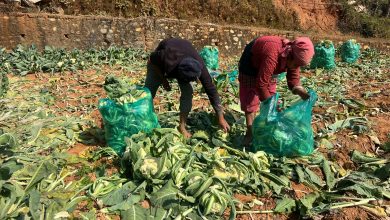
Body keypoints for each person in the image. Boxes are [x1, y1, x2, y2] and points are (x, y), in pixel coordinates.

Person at [145, 38, 230, 138]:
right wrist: (163, 80)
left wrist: (220, 116)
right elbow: (151, 61)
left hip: (183, 55)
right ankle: (144, 119)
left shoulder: (199, 65)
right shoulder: (165, 56)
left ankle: (182, 126)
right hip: (158, 63)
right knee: (148, 92)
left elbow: (211, 89)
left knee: (188, 92)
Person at [238, 36, 315, 146]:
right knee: (250, 101)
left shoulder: (294, 57)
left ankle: (267, 128)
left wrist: (302, 93)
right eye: (296, 64)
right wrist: (271, 105)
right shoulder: (272, 53)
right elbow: (261, 85)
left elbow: (293, 80)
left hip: (269, 65)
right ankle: (250, 133)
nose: (297, 67)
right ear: (290, 56)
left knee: (271, 93)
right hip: (251, 64)